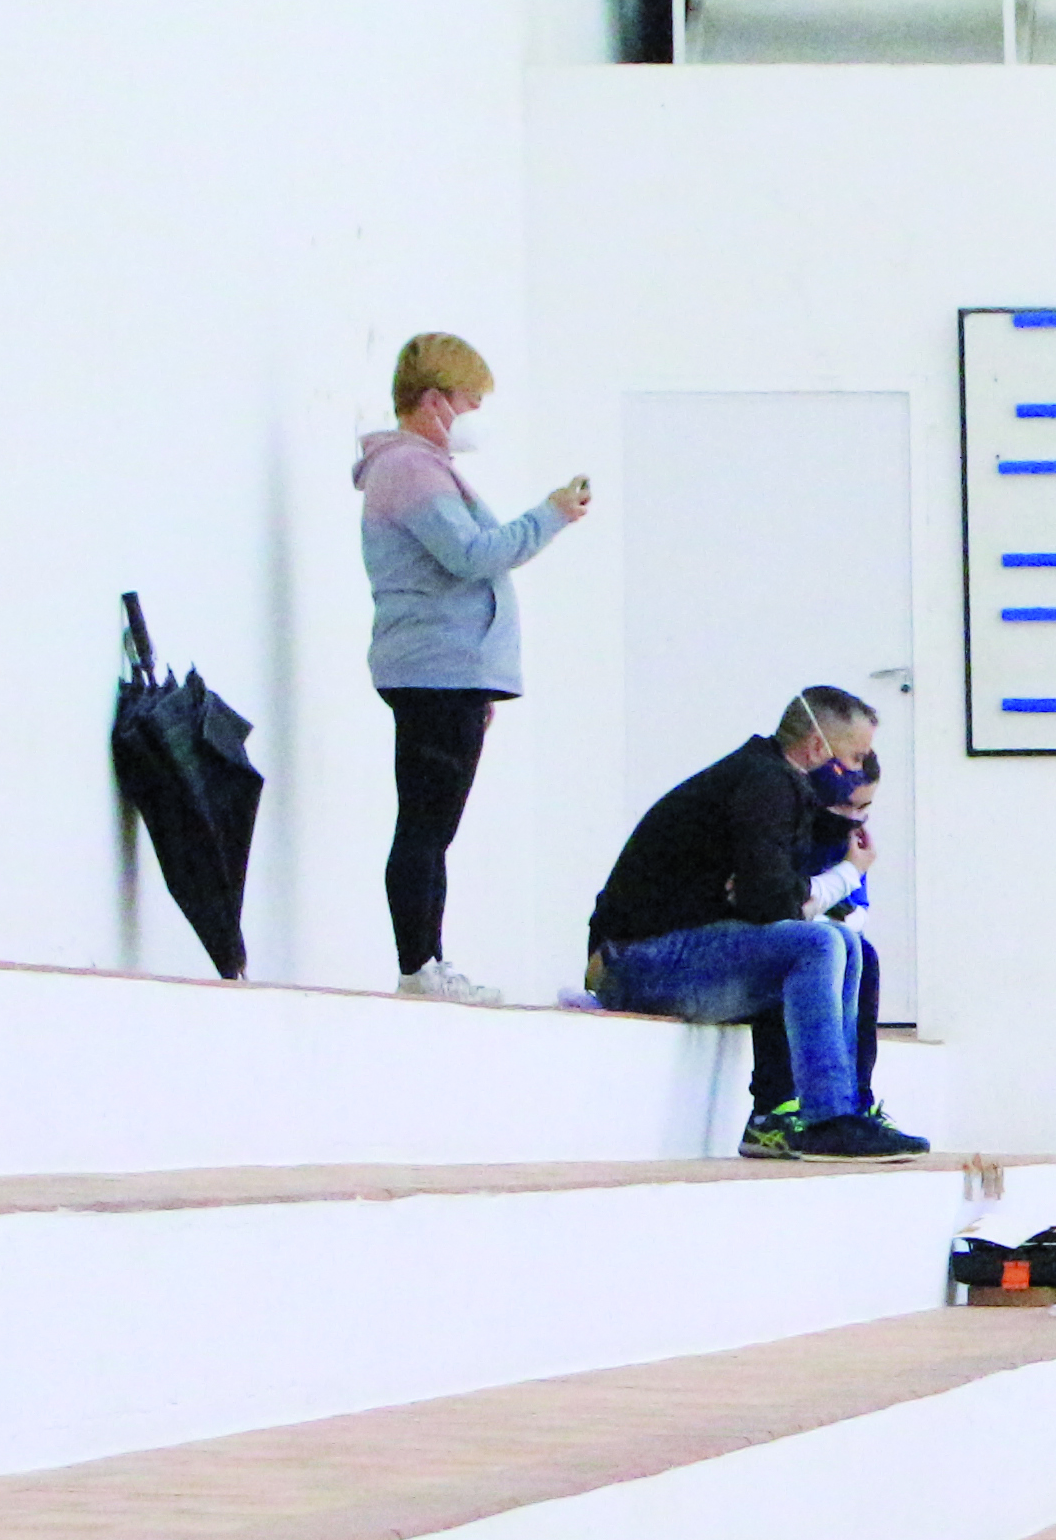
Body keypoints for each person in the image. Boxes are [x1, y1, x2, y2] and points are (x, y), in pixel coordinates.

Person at [584, 689, 926, 1160]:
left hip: (672, 951)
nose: (861, 767)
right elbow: (772, 903)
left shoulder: (780, 785)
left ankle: (824, 1111)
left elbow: (770, 900)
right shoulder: (765, 782)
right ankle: (826, 1117)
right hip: (633, 963)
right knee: (816, 944)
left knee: (844, 943)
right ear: (816, 748)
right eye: (856, 755)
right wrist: (786, 892)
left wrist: (774, 895)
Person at [354, 333, 587, 1003]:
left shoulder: (414, 467)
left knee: (433, 825)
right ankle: (419, 964)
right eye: (469, 401)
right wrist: (552, 515)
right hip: (434, 670)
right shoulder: (412, 470)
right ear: (433, 401)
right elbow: (472, 554)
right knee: (427, 825)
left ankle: (427, 960)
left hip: (449, 672)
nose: (475, 414)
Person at [745, 737, 886, 1137]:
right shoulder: (799, 831)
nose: (854, 818)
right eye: (844, 806)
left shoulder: (851, 843)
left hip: (827, 932)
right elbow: (785, 906)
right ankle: (779, 1102)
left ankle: (857, 1097)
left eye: (864, 808)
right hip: (770, 938)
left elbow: (858, 913)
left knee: (862, 954)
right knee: (801, 948)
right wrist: (841, 881)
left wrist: (835, 895)